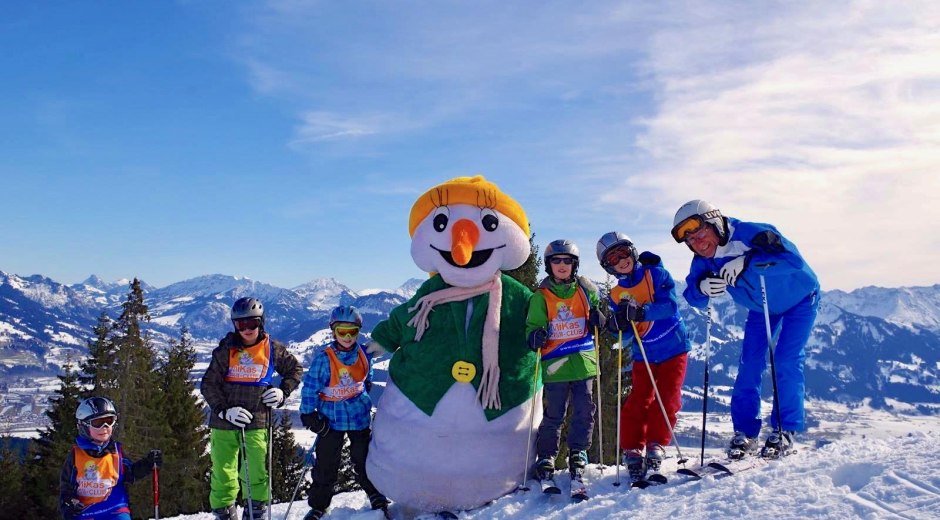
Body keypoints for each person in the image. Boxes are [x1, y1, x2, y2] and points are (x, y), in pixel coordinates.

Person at [672, 200, 819, 459]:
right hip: (761, 309)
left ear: (715, 224)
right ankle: (745, 432)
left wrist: (748, 261)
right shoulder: (704, 259)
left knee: (785, 360)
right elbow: (692, 294)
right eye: (691, 240)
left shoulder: (751, 233)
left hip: (800, 300)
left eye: (701, 233)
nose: (698, 242)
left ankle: (785, 430)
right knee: (749, 364)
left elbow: (793, 261)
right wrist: (703, 287)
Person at [596, 232, 691, 481]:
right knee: (638, 400)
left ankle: (655, 445)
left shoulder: (656, 275)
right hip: (644, 354)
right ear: (608, 266)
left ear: (633, 252)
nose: (621, 260)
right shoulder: (616, 295)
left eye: (623, 253)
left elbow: (670, 306)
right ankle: (632, 448)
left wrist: (641, 311)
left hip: (673, 347)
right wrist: (616, 325)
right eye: (614, 258)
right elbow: (626, 334)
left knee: (667, 398)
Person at [200, 297, 304, 520]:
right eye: (241, 324)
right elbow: (208, 384)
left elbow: (295, 369)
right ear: (234, 325)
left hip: (257, 419)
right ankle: (224, 512)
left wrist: (282, 392)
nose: (247, 329)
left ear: (261, 322)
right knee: (223, 472)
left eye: (252, 324)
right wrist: (223, 410)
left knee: (257, 470)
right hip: (224, 421)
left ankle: (255, 511)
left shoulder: (271, 349)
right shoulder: (226, 349)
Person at [525, 240, 605, 485]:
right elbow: (533, 325)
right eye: (556, 261)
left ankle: (578, 452)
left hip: (583, 362)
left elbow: (600, 315)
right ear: (549, 265)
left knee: (584, 412)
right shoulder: (542, 296)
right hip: (555, 365)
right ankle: (546, 455)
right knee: (554, 415)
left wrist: (599, 319)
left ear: (574, 265)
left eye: (567, 261)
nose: (562, 265)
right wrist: (534, 335)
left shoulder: (585, 290)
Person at [299, 305, 388, 520]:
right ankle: (319, 505)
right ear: (333, 331)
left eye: (353, 332)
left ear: (358, 332)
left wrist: (359, 397)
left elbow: (366, 380)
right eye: (342, 331)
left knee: (364, 458)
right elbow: (311, 387)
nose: (347, 337)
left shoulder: (364, 356)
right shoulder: (324, 358)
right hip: (331, 420)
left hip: (358, 417)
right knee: (326, 463)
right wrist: (309, 414)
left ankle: (376, 494)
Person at [59, 397, 162, 520]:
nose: (105, 427)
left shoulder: (116, 452)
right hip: (86, 511)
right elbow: (66, 488)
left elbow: (131, 474)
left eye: (109, 421)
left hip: (114, 509)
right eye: (97, 423)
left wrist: (148, 464)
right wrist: (69, 503)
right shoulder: (76, 456)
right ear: (84, 426)